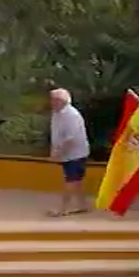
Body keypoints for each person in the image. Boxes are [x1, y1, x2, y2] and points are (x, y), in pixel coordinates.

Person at [48, 88, 91, 218]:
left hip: (75, 154)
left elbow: (71, 139)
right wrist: (54, 149)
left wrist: (58, 153)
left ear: (62, 101)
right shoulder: (57, 113)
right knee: (76, 180)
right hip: (67, 153)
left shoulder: (72, 115)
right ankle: (83, 205)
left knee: (71, 180)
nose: (52, 102)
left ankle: (62, 208)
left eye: (54, 100)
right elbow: (55, 133)